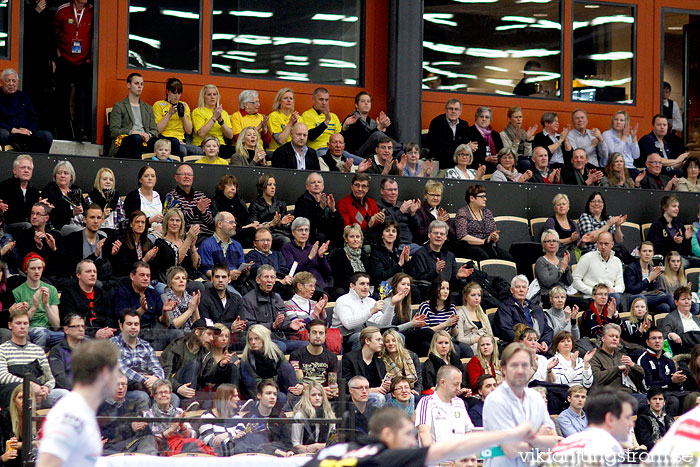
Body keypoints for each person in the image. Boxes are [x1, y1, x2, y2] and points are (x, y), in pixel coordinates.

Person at [306, 405, 535, 467]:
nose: (412, 441)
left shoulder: (337, 450)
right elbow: (453, 448)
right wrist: (510, 434)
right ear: (387, 434)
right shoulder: (384, 457)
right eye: (408, 434)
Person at [36, 339, 120, 467]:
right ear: (104, 373)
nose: (118, 378)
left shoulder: (81, 410)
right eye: (116, 371)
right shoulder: (70, 414)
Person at [482, 342, 559, 467]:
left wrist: (524, 439)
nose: (520, 370)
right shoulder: (495, 400)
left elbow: (552, 442)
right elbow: (511, 449)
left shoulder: (536, 398)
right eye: (514, 365)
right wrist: (538, 437)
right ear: (504, 369)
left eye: (525, 365)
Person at [0, 308, 67, 408]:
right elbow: (2, 376)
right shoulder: (2, 349)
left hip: (38, 394)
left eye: (25, 323)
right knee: (23, 396)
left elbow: (50, 378)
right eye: (18, 323)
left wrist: (46, 388)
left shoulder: (37, 350)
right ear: (10, 325)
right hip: (14, 394)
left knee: (64, 395)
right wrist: (28, 385)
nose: (22, 327)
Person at [549, 389, 636, 463]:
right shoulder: (609, 448)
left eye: (583, 397)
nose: (631, 424)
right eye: (627, 417)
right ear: (610, 418)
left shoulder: (563, 446)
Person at [241, 265, 307, 354]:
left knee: (307, 346)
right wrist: (272, 326)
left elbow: (283, 321)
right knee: (281, 346)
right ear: (258, 280)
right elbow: (250, 327)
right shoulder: (248, 299)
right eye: (266, 277)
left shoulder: (277, 298)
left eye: (272, 277)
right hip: (260, 341)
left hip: (279, 339)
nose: (269, 280)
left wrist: (290, 325)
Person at [406, 220, 474, 299]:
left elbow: (453, 285)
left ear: (445, 237)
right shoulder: (419, 255)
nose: (439, 236)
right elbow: (419, 281)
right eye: (435, 233)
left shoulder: (450, 256)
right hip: (429, 296)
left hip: (448, 297)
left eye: (442, 234)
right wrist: (436, 272)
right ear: (429, 235)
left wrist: (457, 277)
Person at [112, 262, 172, 349]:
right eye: (142, 275)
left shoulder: (153, 293)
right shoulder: (122, 293)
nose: (146, 278)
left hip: (153, 330)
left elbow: (165, 323)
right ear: (132, 276)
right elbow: (121, 321)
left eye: (148, 276)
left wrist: (165, 312)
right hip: (134, 331)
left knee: (177, 334)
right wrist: (141, 310)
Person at [97, 372, 157, 456]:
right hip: (111, 449)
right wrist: (131, 427)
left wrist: (141, 426)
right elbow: (104, 435)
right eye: (117, 384)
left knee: (149, 438)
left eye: (123, 384)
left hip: (131, 446)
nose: (121, 387)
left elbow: (146, 432)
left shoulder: (133, 405)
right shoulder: (100, 407)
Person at [110, 309, 165, 400]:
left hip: (149, 386)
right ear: (121, 325)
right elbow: (121, 369)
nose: (133, 327)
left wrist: (156, 378)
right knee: (142, 397)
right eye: (129, 324)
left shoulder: (146, 346)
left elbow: (157, 368)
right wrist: (146, 381)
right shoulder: (112, 344)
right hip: (125, 388)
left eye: (136, 324)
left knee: (173, 398)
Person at [239, 326, 301, 403]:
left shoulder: (276, 351)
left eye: (257, 338)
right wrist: (274, 389)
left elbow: (287, 371)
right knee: (281, 397)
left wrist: (300, 385)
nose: (253, 342)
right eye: (250, 339)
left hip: (276, 386)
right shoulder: (247, 359)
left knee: (287, 367)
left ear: (264, 339)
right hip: (261, 391)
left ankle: (296, 398)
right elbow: (254, 384)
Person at [333, 272, 394, 351]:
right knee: (362, 337)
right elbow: (348, 324)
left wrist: (392, 305)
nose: (366, 287)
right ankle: (357, 362)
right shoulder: (342, 300)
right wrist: (371, 311)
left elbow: (383, 324)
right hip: (345, 335)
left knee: (394, 336)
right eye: (362, 284)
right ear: (352, 286)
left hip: (368, 333)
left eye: (368, 284)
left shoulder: (371, 301)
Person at [589, 323, 646, 407]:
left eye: (617, 337)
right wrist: (618, 369)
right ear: (603, 338)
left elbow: (640, 377)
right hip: (608, 397)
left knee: (654, 401)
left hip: (628, 395)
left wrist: (632, 365)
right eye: (611, 336)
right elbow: (596, 379)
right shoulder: (594, 356)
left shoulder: (622, 356)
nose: (614, 339)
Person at [12, 253, 61, 349]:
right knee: (41, 333)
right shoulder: (17, 292)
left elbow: (56, 326)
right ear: (26, 270)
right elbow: (20, 323)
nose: (37, 271)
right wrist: (34, 307)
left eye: (39, 268)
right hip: (28, 331)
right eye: (33, 268)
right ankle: (37, 362)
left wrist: (46, 305)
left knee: (73, 335)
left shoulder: (51, 290)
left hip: (49, 331)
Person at [416, 365, 473, 446]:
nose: (459, 388)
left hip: (460, 455)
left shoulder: (459, 402)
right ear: (443, 382)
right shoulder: (426, 402)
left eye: (460, 384)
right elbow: (424, 432)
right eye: (456, 384)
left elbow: (468, 431)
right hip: (438, 456)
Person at [140, 378, 200, 456]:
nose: (164, 395)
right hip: (160, 451)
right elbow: (152, 440)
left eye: (166, 392)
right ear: (154, 395)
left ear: (171, 394)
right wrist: (171, 429)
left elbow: (193, 435)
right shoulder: (148, 414)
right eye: (160, 393)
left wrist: (183, 426)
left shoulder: (179, 411)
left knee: (194, 446)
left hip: (179, 447)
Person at [637, 326, 686, 417]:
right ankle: (667, 428)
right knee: (673, 401)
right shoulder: (643, 359)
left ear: (664, 341)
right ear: (647, 342)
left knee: (692, 397)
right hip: (653, 395)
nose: (657, 341)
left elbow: (677, 386)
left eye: (660, 338)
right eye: (653, 338)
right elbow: (648, 385)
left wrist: (679, 381)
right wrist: (670, 381)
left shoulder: (669, 361)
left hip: (671, 393)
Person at [453, 184, 511, 261]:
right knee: (483, 257)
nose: (485, 199)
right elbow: (462, 236)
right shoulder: (463, 213)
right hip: (471, 246)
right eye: (482, 197)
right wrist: (483, 241)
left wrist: (495, 237)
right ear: (472, 198)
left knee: (507, 257)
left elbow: (495, 234)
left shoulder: (487, 212)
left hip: (488, 246)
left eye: (485, 196)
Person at [59, 259, 114, 339]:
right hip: (82, 334)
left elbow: (109, 318)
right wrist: (95, 334)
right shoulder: (68, 294)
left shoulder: (103, 293)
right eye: (88, 271)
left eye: (94, 272)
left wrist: (107, 331)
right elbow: (70, 320)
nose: (92, 274)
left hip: (105, 334)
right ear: (78, 275)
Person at [0, 69, 52, 152]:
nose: (11, 84)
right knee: (3, 134)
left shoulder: (24, 97)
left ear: (18, 82)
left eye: (14, 81)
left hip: (25, 133)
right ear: (2, 82)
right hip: (8, 131)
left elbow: (33, 118)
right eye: (8, 81)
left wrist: (29, 130)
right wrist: (12, 129)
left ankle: (40, 162)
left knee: (46, 135)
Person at [494, 275, 553, 348]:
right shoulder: (504, 308)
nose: (521, 290)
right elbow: (506, 331)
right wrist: (529, 343)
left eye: (524, 287)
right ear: (511, 290)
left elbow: (548, 330)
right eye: (518, 287)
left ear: (527, 290)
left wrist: (545, 342)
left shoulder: (536, 308)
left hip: (540, 347)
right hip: (518, 348)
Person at [108, 73, 158, 158]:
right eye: (136, 83)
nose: (140, 86)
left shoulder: (148, 108)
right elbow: (114, 131)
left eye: (141, 84)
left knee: (166, 143)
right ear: (128, 85)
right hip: (127, 140)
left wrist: (148, 135)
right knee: (136, 138)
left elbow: (155, 131)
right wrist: (132, 132)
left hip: (145, 140)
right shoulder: (119, 106)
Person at [14, 203, 65, 282]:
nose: (34, 217)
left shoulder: (56, 235)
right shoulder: (23, 236)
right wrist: (38, 248)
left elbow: (63, 264)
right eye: (32, 213)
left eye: (38, 214)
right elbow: (26, 264)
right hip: (36, 278)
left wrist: (54, 249)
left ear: (46, 218)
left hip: (57, 277)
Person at [341, 327, 388, 407]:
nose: (382, 343)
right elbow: (346, 386)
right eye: (378, 340)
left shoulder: (380, 363)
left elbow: (381, 386)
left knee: (405, 397)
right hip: (356, 396)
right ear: (367, 341)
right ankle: (376, 420)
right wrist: (370, 390)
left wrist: (386, 386)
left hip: (377, 396)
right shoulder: (349, 358)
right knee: (379, 398)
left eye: (381, 340)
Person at [281, 217, 332, 292]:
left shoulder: (313, 247)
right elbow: (291, 271)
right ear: (293, 232)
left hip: (321, 285)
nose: (304, 233)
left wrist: (321, 257)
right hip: (304, 288)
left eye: (306, 230)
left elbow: (327, 272)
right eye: (300, 230)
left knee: (340, 292)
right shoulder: (287, 248)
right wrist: (309, 258)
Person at [164, 164, 215, 238]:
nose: (186, 177)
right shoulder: (171, 197)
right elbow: (177, 221)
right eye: (183, 174)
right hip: (186, 235)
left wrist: (203, 212)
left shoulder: (200, 196)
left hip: (206, 233)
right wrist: (196, 209)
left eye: (189, 174)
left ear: (193, 178)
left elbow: (210, 222)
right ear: (176, 178)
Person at [623, 241, 675, 315]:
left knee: (665, 307)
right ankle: (679, 317)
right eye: (644, 251)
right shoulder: (631, 268)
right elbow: (632, 289)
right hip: (635, 298)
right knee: (668, 296)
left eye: (650, 251)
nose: (647, 254)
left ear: (653, 254)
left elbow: (655, 291)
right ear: (639, 253)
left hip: (649, 299)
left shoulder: (652, 270)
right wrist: (648, 279)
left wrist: (655, 281)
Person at [154, 208, 202, 285]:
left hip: (192, 277)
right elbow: (177, 261)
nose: (175, 223)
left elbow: (195, 265)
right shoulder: (160, 243)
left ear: (182, 224)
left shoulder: (184, 242)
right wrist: (189, 239)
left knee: (209, 285)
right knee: (198, 286)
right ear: (166, 223)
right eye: (171, 220)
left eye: (178, 221)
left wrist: (192, 246)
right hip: (174, 281)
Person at [293, 172, 344, 246]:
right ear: (307, 186)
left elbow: (339, 225)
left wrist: (333, 210)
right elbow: (307, 224)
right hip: (311, 236)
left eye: (319, 182)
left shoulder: (326, 199)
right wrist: (321, 208)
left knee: (340, 237)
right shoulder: (301, 201)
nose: (316, 184)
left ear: (322, 186)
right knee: (321, 237)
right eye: (313, 182)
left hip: (327, 234)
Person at [573, 232, 625, 301]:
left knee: (617, 298)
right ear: (597, 244)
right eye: (601, 244)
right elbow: (575, 280)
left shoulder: (617, 261)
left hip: (610, 296)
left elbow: (620, 284)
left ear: (612, 244)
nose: (603, 247)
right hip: (591, 297)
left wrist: (613, 290)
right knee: (615, 298)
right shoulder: (587, 258)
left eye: (606, 244)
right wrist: (594, 292)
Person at [290, 319, 338, 393]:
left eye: (321, 333)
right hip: (304, 394)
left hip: (324, 395)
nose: (318, 336)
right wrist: (320, 391)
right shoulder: (296, 355)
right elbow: (300, 382)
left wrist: (333, 391)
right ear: (308, 335)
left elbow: (332, 384)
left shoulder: (332, 357)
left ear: (325, 336)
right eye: (314, 333)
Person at [106, 210, 157, 279]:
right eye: (137, 222)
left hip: (146, 279)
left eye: (143, 222)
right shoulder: (122, 242)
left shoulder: (148, 243)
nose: (140, 225)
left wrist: (152, 258)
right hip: (126, 279)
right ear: (130, 224)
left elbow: (153, 269)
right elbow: (123, 268)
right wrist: (144, 260)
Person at [341, 90, 393, 158]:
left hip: (372, 154)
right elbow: (362, 141)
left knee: (383, 139)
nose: (366, 103)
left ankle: (401, 151)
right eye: (363, 101)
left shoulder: (373, 122)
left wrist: (383, 129)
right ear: (356, 105)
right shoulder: (351, 119)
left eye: (368, 101)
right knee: (377, 134)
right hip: (355, 154)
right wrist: (379, 128)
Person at [198, 211, 246, 282]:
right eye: (231, 222)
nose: (234, 225)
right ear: (219, 224)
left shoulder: (237, 245)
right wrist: (228, 275)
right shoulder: (207, 245)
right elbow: (207, 271)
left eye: (234, 222)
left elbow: (241, 266)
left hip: (238, 283)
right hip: (217, 284)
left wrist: (245, 270)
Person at [153, 77, 196, 157]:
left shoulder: (184, 105)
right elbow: (158, 130)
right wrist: (169, 114)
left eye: (179, 93)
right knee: (181, 149)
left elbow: (189, 131)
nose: (176, 96)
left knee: (198, 151)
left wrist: (183, 115)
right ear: (167, 91)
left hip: (181, 140)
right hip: (164, 139)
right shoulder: (159, 105)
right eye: (174, 92)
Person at [426, 99, 474, 171]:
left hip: (459, 164)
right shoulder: (437, 123)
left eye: (456, 109)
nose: (453, 111)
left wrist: (469, 147)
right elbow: (438, 148)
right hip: (442, 163)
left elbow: (466, 145)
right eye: (450, 109)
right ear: (446, 110)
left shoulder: (464, 125)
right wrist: (464, 147)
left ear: (460, 112)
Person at [249, 174, 294, 249]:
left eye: (274, 185)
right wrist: (271, 223)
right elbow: (255, 226)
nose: (273, 187)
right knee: (285, 240)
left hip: (281, 232)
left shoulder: (280, 203)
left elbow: (284, 224)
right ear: (262, 187)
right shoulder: (255, 204)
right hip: (266, 234)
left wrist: (283, 223)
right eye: (269, 184)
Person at [290, 382, 335, 454]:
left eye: (320, 395)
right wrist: (309, 448)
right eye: (313, 395)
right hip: (303, 454)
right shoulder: (300, 415)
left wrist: (320, 446)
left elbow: (332, 441)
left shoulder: (329, 414)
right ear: (307, 397)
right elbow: (295, 444)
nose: (317, 398)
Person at [41, 160, 86, 231]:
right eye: (59, 173)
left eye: (66, 173)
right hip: (61, 226)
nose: (62, 176)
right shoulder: (50, 190)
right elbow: (53, 214)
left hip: (82, 225)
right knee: (79, 232)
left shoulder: (76, 190)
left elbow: (86, 209)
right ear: (55, 176)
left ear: (71, 177)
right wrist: (72, 213)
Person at [247, 228, 293, 297]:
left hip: (282, 286)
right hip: (263, 289)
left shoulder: (278, 254)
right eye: (262, 240)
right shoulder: (251, 255)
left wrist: (286, 279)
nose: (266, 243)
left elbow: (284, 271)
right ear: (255, 243)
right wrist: (279, 281)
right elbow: (257, 273)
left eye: (268, 240)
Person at [577, 191, 626, 256]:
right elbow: (590, 238)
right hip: (592, 253)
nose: (596, 204)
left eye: (599, 201)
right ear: (589, 204)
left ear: (603, 204)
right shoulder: (585, 216)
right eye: (593, 201)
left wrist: (617, 226)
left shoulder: (609, 218)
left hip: (610, 254)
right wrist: (608, 225)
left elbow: (619, 241)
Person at [197, 384, 241, 456]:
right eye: (235, 396)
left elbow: (241, 437)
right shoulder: (207, 416)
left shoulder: (237, 417)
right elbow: (209, 442)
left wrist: (226, 435)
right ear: (225, 398)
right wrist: (232, 435)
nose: (238, 399)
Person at [191, 84, 234, 157]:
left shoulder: (223, 113)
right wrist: (214, 118)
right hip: (202, 144)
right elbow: (201, 133)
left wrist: (221, 121)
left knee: (236, 152)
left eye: (214, 94)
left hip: (220, 145)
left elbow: (230, 136)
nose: (212, 97)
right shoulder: (198, 111)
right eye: (209, 94)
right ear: (203, 97)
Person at [328, 224, 371, 296]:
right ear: (346, 239)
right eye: (352, 237)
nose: (355, 239)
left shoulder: (364, 256)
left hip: (364, 289)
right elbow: (338, 279)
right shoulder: (339, 254)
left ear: (361, 239)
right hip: (347, 290)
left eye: (357, 237)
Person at [535, 230, 574, 306]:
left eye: (554, 241)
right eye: (548, 241)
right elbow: (547, 283)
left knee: (587, 302)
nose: (552, 243)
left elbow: (569, 282)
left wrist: (566, 268)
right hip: (549, 297)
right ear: (543, 244)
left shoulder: (561, 260)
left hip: (563, 295)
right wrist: (561, 269)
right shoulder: (541, 261)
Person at [48, 313, 86, 390]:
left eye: (83, 326)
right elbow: (59, 377)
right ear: (66, 329)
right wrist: (77, 391)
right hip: (68, 391)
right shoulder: (56, 351)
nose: (81, 329)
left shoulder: (91, 348)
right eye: (76, 326)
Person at [455, 282, 495, 354]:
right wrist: (475, 339)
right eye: (473, 295)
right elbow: (459, 339)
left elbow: (490, 335)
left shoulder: (483, 315)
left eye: (479, 295)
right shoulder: (460, 314)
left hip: (485, 344)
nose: (477, 298)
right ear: (466, 297)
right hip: (471, 346)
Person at [0, 155, 40, 226]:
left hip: (28, 227)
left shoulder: (34, 191)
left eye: (29, 168)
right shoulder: (4, 186)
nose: (26, 170)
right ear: (14, 171)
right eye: (23, 167)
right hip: (9, 226)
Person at [649, 195, 693, 259]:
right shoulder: (657, 226)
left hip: (682, 256)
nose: (677, 209)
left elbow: (687, 250)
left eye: (678, 206)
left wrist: (687, 239)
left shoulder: (679, 225)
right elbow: (657, 249)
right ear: (665, 207)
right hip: (668, 259)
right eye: (674, 206)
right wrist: (673, 242)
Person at [85, 168, 126, 236]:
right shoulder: (90, 198)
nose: (108, 182)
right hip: (97, 231)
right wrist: (103, 216)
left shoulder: (117, 198)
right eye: (104, 179)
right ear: (99, 181)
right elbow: (87, 221)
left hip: (114, 231)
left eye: (111, 180)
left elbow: (122, 219)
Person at [160, 266, 201, 334]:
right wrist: (190, 310)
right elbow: (173, 325)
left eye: (184, 278)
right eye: (177, 278)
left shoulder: (190, 298)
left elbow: (197, 325)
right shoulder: (165, 298)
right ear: (169, 284)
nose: (181, 280)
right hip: (174, 335)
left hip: (191, 334)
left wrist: (195, 306)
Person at [382, 329, 422, 395]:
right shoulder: (381, 360)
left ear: (399, 342)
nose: (391, 343)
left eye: (394, 341)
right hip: (392, 392)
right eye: (387, 341)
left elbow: (419, 379)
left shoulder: (412, 356)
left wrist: (417, 391)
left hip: (411, 390)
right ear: (384, 344)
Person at [123, 166, 163, 232]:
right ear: (140, 179)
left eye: (153, 176)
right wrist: (151, 220)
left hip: (161, 232)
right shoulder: (132, 197)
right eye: (146, 176)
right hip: (141, 232)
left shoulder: (161, 197)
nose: (150, 178)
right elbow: (131, 220)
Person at [662, 286, 700, 355]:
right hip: (685, 351)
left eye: (689, 299)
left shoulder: (697, 319)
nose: (687, 302)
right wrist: (671, 334)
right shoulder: (670, 318)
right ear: (676, 302)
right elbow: (664, 334)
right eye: (683, 299)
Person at [544, 194, 581, 260]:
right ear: (554, 208)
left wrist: (583, 241)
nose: (561, 206)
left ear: (568, 207)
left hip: (573, 252)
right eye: (558, 205)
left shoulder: (573, 223)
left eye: (564, 204)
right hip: (558, 254)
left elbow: (578, 244)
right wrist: (570, 239)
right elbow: (551, 242)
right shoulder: (551, 221)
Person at [413, 180, 451, 246]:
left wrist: (446, 223)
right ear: (425, 195)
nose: (435, 198)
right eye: (432, 195)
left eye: (438, 195)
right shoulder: (420, 211)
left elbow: (452, 234)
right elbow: (420, 235)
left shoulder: (442, 211)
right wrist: (437, 222)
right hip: (426, 246)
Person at [603, 110, 640, 174]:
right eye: (616, 119)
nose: (618, 122)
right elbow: (614, 153)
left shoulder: (629, 136)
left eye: (621, 120)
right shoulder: (607, 134)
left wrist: (634, 138)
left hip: (630, 167)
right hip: (614, 169)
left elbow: (636, 156)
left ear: (626, 122)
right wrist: (624, 137)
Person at [500, 106, 537, 170]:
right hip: (512, 161)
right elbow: (509, 155)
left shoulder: (523, 133)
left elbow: (527, 154)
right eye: (516, 117)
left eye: (520, 117)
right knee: (526, 163)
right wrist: (516, 141)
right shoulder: (503, 134)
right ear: (509, 119)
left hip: (524, 159)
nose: (519, 119)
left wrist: (527, 140)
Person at [467, 107, 502, 173]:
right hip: (475, 168)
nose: (484, 119)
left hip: (495, 169)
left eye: (487, 117)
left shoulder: (495, 135)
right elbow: (467, 155)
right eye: (481, 117)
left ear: (490, 120)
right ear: (476, 118)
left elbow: (501, 152)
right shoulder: (469, 132)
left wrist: (497, 158)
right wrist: (485, 159)